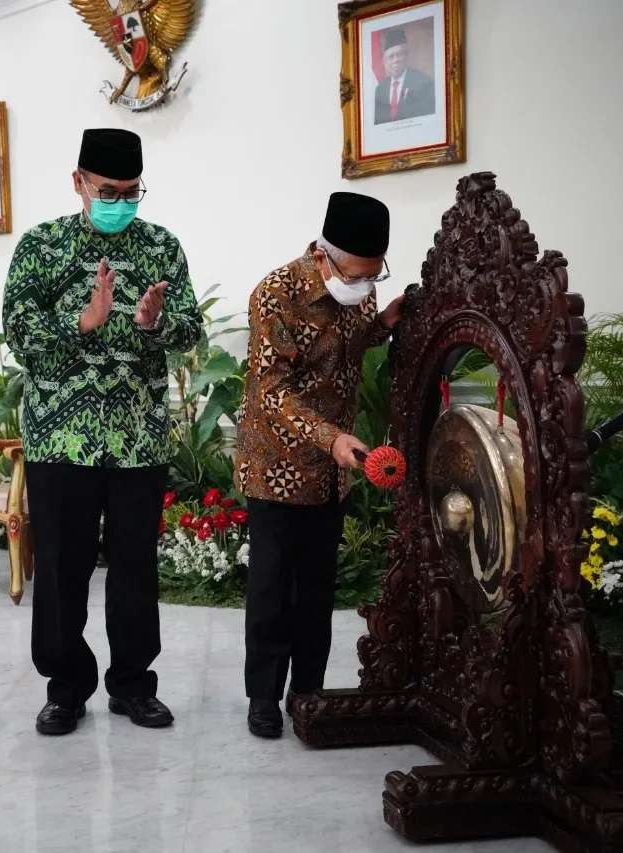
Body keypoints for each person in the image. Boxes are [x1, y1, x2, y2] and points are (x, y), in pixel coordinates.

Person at [2, 128, 203, 736]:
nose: (120, 201)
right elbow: (20, 330)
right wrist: (81, 323)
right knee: (61, 567)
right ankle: (65, 688)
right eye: (108, 190)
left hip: (137, 439)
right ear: (79, 183)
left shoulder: (161, 247)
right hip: (62, 441)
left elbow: (189, 327)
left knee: (135, 566)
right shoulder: (41, 247)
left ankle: (134, 685)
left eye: (132, 192)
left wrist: (152, 322)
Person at [234, 192, 404, 738]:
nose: (365, 287)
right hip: (276, 466)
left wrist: (383, 325)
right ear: (327, 257)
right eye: (357, 274)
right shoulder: (276, 294)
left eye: (373, 276)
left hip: (334, 470)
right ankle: (263, 695)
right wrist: (328, 438)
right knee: (271, 588)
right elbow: (272, 393)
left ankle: (306, 690)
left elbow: (346, 352)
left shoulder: (360, 295)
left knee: (317, 589)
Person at [373, 28, 435, 124]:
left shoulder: (424, 83)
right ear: (385, 61)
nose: (395, 60)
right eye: (391, 56)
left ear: (406, 56)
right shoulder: (380, 89)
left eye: (399, 54)